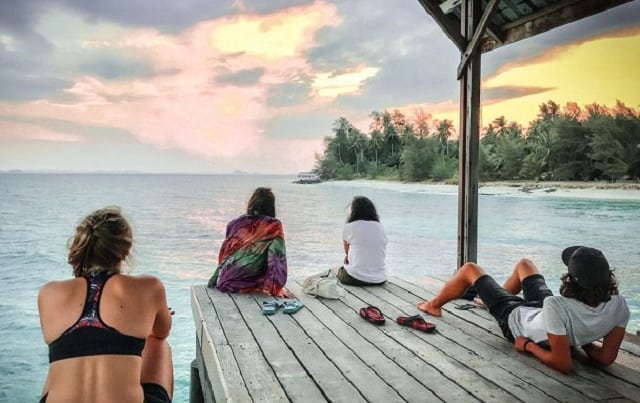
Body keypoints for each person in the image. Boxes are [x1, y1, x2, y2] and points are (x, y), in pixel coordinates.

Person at [417, 246, 629, 373]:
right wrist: (583, 340)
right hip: (545, 314)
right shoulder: (620, 305)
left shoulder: (557, 305)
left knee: (469, 269)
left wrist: (528, 346)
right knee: (525, 264)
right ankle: (491, 300)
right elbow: (606, 358)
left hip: (516, 320)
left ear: (570, 280)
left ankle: (433, 306)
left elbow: (563, 363)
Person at [38, 207, 173, 402]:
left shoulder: (48, 293)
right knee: (158, 343)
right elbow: (162, 331)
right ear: (126, 249)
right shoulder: (150, 287)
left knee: (63, 350)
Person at [208, 187, 292, 297]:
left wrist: (215, 279)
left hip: (224, 280)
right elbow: (276, 260)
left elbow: (224, 255)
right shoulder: (273, 226)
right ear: (271, 206)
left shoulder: (234, 224)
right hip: (247, 283)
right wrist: (276, 288)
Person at [337, 196, 388, 286]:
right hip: (380, 279)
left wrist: (349, 258)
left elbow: (347, 254)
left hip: (356, 279)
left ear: (354, 211)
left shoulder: (350, 227)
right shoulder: (381, 227)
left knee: (337, 270)